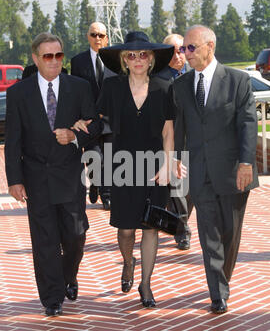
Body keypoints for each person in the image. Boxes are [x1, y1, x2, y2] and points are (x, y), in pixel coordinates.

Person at [73, 31, 175, 308]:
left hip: (155, 166)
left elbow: (168, 131)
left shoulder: (164, 88)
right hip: (123, 165)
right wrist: (81, 123)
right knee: (127, 229)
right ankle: (128, 262)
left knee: (151, 226)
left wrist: (168, 163)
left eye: (143, 54)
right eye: (132, 55)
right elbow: (96, 117)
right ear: (124, 60)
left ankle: (146, 284)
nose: (138, 59)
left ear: (152, 58)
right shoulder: (113, 88)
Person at [4, 32, 101, 316]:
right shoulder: (18, 93)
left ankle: (68, 276)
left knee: (75, 234)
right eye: (48, 56)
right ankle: (52, 298)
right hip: (36, 177)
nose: (54, 61)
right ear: (35, 58)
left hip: (70, 176)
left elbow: (95, 126)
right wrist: (15, 179)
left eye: (59, 55)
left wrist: (73, 136)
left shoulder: (79, 87)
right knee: (45, 240)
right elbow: (13, 140)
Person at [174, 25, 259, 314]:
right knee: (208, 232)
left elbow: (248, 124)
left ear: (210, 46)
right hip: (199, 172)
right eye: (184, 48)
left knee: (229, 233)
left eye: (191, 48)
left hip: (234, 171)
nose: (186, 54)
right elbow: (180, 127)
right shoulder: (182, 86)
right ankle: (218, 292)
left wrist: (247, 163)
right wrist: (175, 160)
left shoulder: (238, 81)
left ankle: (224, 277)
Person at [71, 21, 115, 210]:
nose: (97, 38)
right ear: (88, 36)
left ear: (107, 38)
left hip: (111, 120)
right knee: (95, 157)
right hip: (89, 120)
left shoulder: (115, 59)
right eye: (94, 34)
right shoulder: (78, 62)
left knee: (110, 158)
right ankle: (95, 182)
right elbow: (74, 92)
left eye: (101, 35)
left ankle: (107, 195)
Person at [157, 33, 194, 250]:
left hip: (194, 143)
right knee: (178, 189)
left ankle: (179, 219)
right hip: (169, 143)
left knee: (191, 193)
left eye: (181, 49)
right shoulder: (158, 80)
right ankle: (182, 231)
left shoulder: (194, 76)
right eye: (172, 50)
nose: (178, 55)